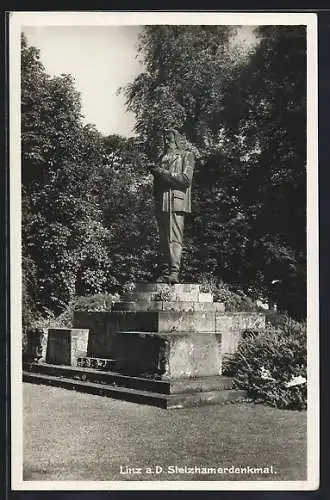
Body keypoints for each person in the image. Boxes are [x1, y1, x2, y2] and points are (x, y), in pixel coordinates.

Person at [149, 128, 195, 284]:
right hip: (162, 202)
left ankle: (174, 272)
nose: (166, 142)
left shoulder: (186, 156)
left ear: (177, 140)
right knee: (163, 239)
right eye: (164, 139)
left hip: (176, 202)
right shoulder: (161, 158)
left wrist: (161, 172)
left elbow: (185, 179)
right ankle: (164, 271)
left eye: (169, 139)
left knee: (174, 238)